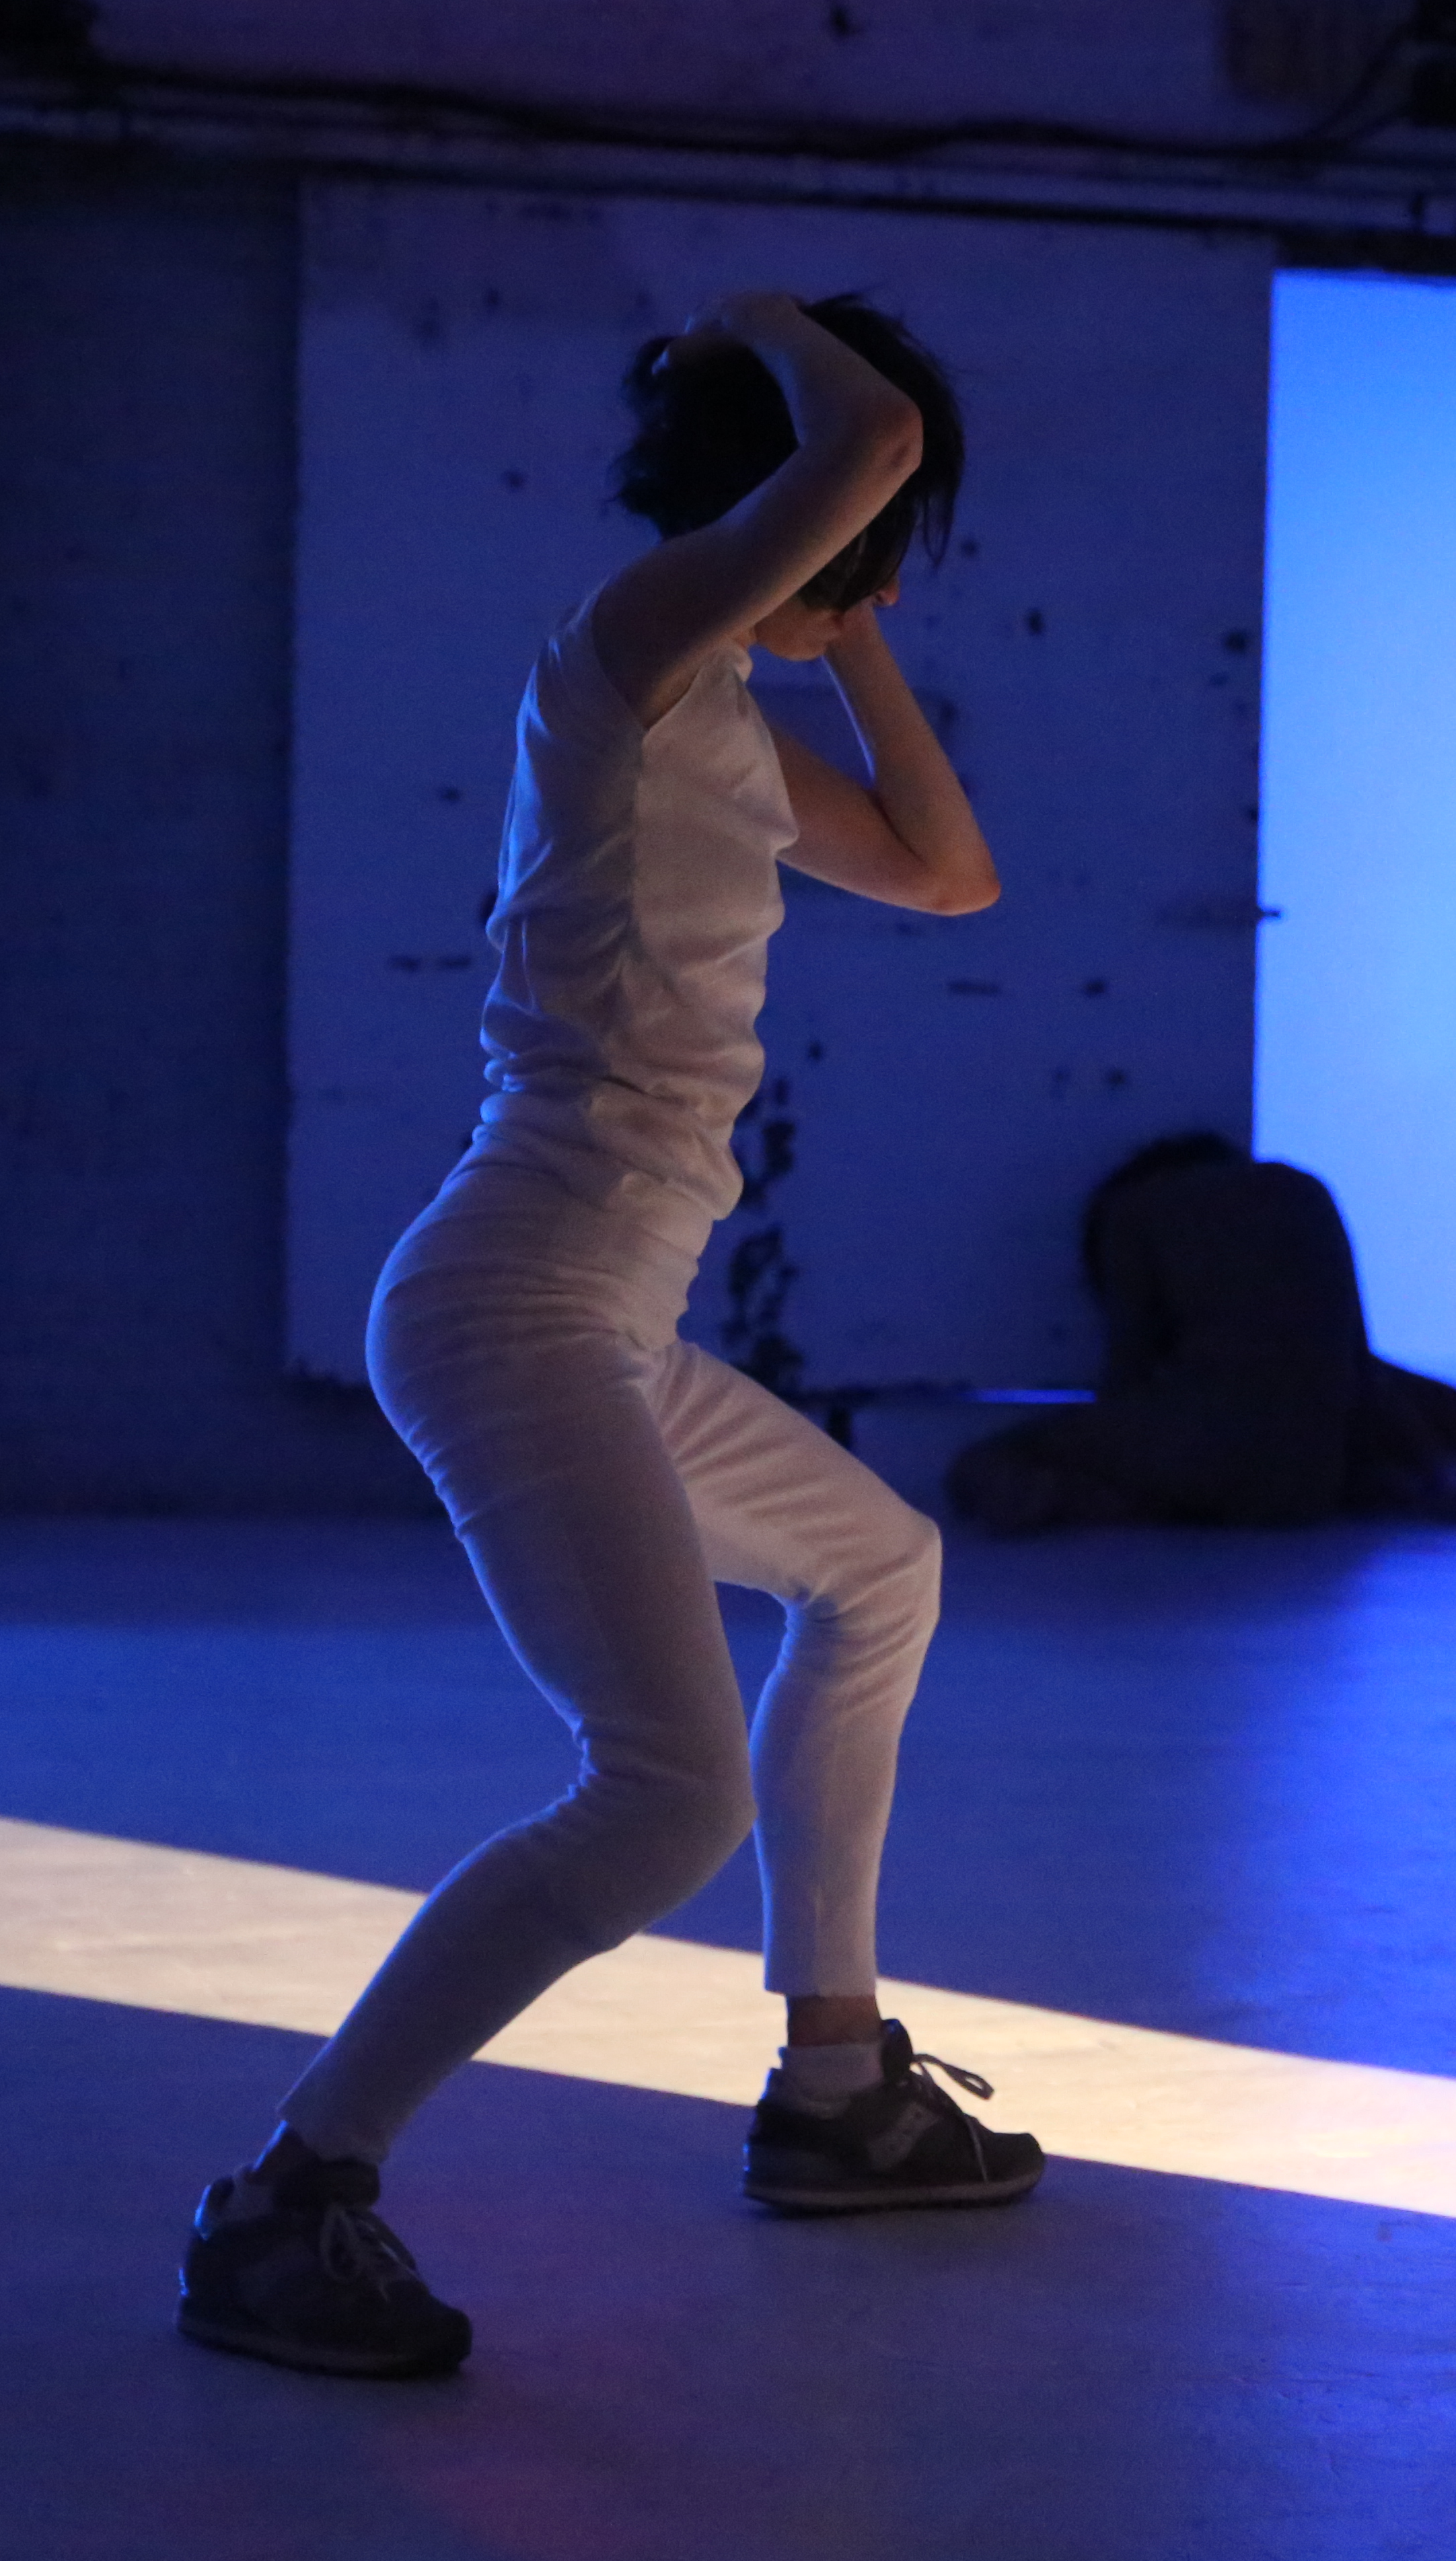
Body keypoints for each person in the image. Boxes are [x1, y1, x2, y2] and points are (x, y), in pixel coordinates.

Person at [178, 291, 1038, 2383]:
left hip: (608, 1313)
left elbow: (949, 876)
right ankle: (291, 2190)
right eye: (865, 524)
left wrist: (858, 624)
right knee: (662, 1789)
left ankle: (834, 2082)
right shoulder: (623, 644)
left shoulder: (725, 713)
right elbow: (863, 451)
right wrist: (775, 336)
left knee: (880, 1567)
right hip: (516, 1299)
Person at [947, 1133, 1456, 1534]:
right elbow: (1363, 1369)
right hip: (1308, 1485)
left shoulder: (1132, 1212)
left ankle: (1103, 1505)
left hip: (1204, 1454)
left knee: (978, 1470)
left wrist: (1104, 1455)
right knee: (1345, 1392)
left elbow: (1128, 1367)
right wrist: (1444, 1463)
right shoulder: (1304, 1189)